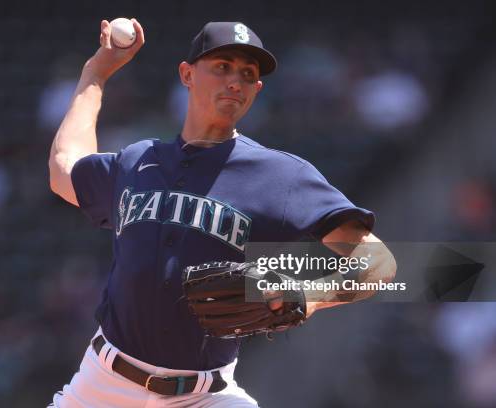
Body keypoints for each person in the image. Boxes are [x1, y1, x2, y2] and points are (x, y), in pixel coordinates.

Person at [48, 19, 396, 408]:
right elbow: (65, 170)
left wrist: (307, 294)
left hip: (206, 396)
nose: (235, 81)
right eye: (222, 67)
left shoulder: (280, 175)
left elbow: (376, 261)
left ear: (257, 90)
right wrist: (95, 73)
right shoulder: (138, 161)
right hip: (103, 385)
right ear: (187, 74)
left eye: (248, 74)